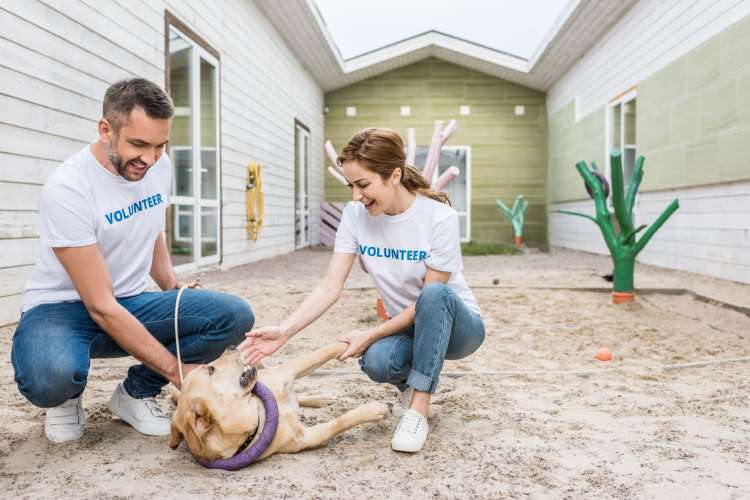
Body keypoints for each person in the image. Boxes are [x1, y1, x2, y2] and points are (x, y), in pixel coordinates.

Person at [11, 78, 254, 444]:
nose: (150, 158)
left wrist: (171, 285)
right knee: (51, 378)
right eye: (139, 144)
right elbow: (101, 306)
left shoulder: (158, 167)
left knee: (233, 315)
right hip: (60, 310)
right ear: (106, 130)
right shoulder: (68, 188)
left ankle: (135, 394)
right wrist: (177, 371)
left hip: (130, 301)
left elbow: (150, 226)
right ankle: (66, 397)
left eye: (159, 145)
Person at [239, 128, 484, 453]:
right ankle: (413, 387)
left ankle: (418, 410)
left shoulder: (440, 218)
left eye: (363, 185)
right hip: (409, 327)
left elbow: (432, 298)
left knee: (433, 296)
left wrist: (369, 333)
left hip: (458, 328)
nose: (356, 195)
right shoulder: (355, 215)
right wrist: (286, 330)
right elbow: (330, 286)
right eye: (351, 185)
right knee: (377, 361)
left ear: (394, 175)